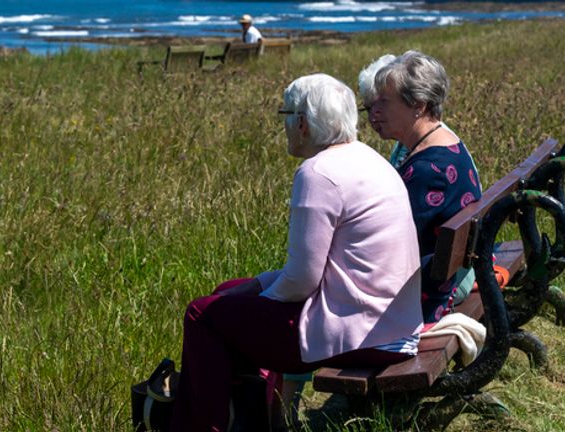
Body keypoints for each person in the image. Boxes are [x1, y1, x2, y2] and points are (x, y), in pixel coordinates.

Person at [170, 73, 423, 432]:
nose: (286, 125)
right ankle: (249, 421)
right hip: (392, 323)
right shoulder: (369, 158)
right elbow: (313, 272)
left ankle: (202, 426)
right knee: (228, 293)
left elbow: (302, 280)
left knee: (201, 313)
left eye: (285, 115)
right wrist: (255, 287)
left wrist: (261, 299)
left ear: (301, 123)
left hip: (365, 335)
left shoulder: (318, 173)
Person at [368, 50, 483, 323]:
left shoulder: (428, 171)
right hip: (437, 280)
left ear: (418, 105)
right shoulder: (447, 143)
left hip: (421, 298)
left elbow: (387, 248)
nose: (376, 110)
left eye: (385, 101)